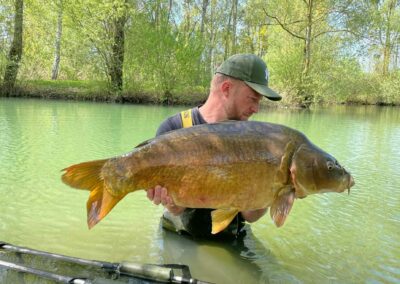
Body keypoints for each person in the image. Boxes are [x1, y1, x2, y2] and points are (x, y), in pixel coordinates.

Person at [147, 54, 282, 239]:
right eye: (253, 98)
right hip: (180, 235)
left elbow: (250, 216)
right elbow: (176, 209)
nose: (256, 109)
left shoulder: (253, 140)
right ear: (226, 88)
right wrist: (168, 200)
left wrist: (274, 187)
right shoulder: (174, 129)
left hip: (230, 236)